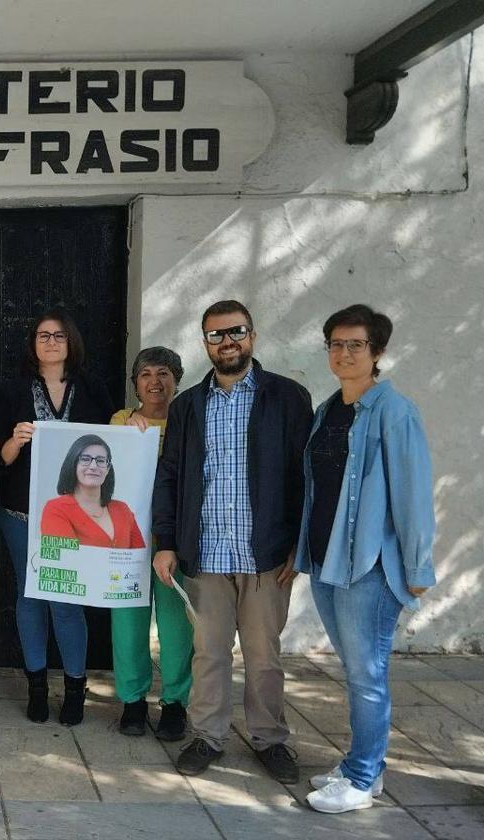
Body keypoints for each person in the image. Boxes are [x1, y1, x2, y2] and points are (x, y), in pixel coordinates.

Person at [151, 300, 313, 782]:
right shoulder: (188, 406)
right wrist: (166, 540)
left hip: (266, 555)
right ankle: (208, 736)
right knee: (210, 653)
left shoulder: (287, 398)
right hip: (207, 553)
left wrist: (298, 544)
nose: (227, 342)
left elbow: (304, 477)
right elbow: (171, 475)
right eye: (216, 335)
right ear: (205, 344)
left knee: (265, 657)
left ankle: (269, 738)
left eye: (235, 332)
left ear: (252, 336)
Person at [297, 305, 436, 814]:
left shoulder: (395, 412)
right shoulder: (330, 409)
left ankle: (361, 778)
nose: (343, 353)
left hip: (369, 568)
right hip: (328, 560)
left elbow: (414, 497)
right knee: (355, 670)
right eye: (335, 343)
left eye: (355, 344)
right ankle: (363, 764)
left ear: (377, 351)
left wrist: (418, 569)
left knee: (366, 673)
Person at [0, 307, 114, 726]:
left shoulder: (94, 390)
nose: (51, 342)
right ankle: (37, 687)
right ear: (33, 344)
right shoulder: (10, 392)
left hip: (77, 518)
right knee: (31, 596)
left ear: (70, 341)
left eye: (59, 335)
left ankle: (75, 688)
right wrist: (15, 441)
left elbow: (115, 445)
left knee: (67, 599)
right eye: (43, 335)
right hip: (20, 513)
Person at [109, 347, 194, 741]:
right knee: (128, 620)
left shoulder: (190, 420)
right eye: (145, 374)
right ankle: (132, 700)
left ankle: (175, 703)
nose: (154, 381)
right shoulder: (121, 421)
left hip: (173, 538)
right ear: (135, 382)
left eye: (164, 373)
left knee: (177, 626)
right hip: (128, 538)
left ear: (177, 379)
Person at [40, 434, 145, 549]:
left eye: (100, 460)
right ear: (73, 464)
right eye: (85, 459)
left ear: (108, 468)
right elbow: (66, 560)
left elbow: (138, 558)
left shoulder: (123, 509)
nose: (93, 466)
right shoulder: (56, 508)